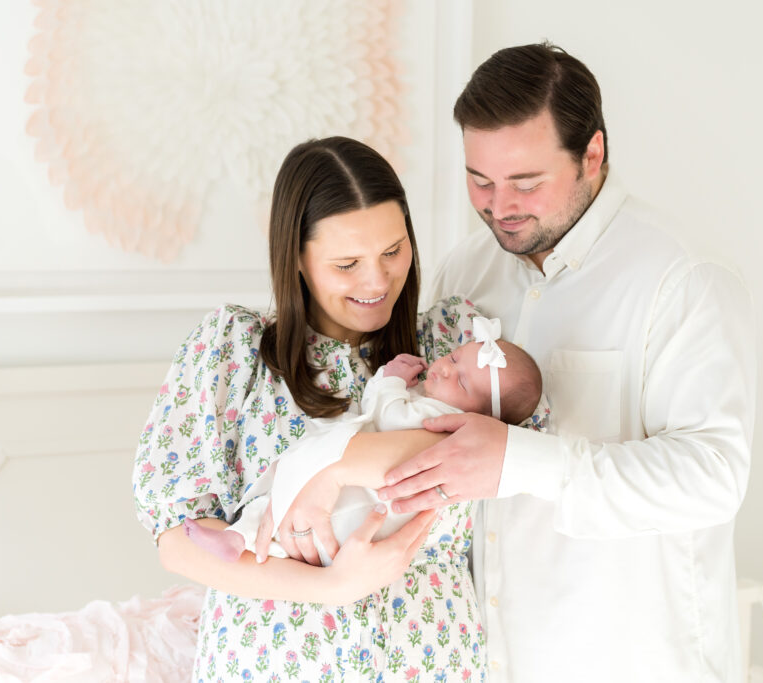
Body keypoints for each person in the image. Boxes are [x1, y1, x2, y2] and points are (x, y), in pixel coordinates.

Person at [275, 44, 757, 682]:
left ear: (592, 154)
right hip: (485, 657)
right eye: (480, 180)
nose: (499, 205)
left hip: (630, 656)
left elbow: (713, 477)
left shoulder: (682, 278)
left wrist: (519, 460)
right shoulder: (463, 271)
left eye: (526, 182)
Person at [133, 136, 502, 681]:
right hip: (272, 660)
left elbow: (491, 452)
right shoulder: (232, 349)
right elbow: (179, 542)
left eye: (393, 251)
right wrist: (333, 588)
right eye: (347, 263)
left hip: (430, 660)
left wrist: (337, 468)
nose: (377, 282)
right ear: (297, 259)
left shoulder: (453, 343)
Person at [184, 328, 543, 566]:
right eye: (452, 358)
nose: (446, 370)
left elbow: (389, 418)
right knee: (282, 493)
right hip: (352, 506)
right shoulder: (436, 400)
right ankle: (237, 538)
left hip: (359, 507)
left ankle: (243, 538)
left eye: (461, 381)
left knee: (289, 495)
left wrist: (391, 381)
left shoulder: (440, 418)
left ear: (481, 414)